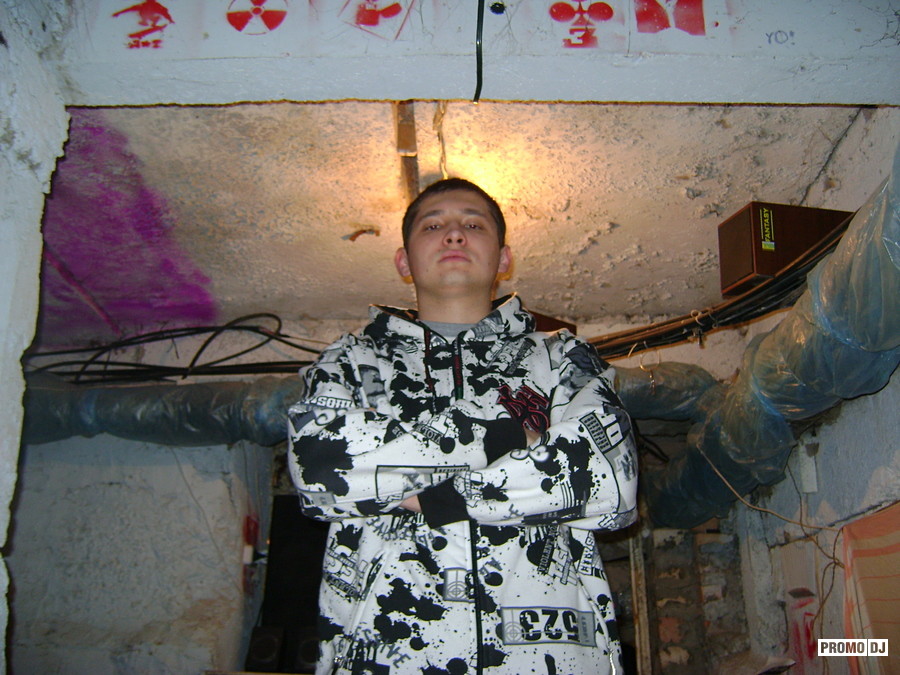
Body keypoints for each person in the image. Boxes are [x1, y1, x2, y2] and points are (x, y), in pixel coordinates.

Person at [287, 178, 638, 674]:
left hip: (551, 657)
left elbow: (611, 481)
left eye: (473, 225)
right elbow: (320, 470)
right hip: (389, 656)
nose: (454, 234)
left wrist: (428, 492)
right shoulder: (351, 360)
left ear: (503, 258)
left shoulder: (562, 358)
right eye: (433, 227)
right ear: (404, 262)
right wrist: (508, 438)